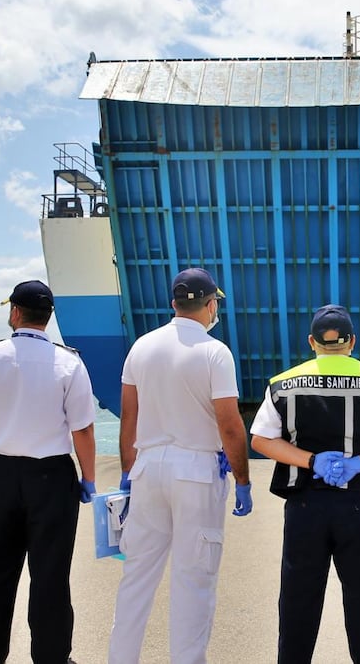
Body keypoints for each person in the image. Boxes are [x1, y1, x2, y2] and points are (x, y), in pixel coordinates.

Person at [250, 304, 360, 664]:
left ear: (312, 342)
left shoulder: (283, 384)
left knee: (298, 601)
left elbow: (262, 440)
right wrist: (358, 463)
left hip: (304, 505)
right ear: (352, 342)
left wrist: (311, 460)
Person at [108, 267, 252, 664]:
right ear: (210, 305)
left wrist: (127, 472)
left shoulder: (141, 346)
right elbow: (229, 422)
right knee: (193, 580)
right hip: (196, 472)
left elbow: (128, 416)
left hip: (147, 469)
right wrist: (242, 479)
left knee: (137, 576)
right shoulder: (213, 352)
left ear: (174, 302)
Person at [0, 279, 97, 664]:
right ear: (48, 318)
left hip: (0, 475)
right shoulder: (70, 362)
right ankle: (52, 658)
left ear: (14, 312)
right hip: (51, 477)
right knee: (50, 576)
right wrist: (89, 479)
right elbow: (82, 428)